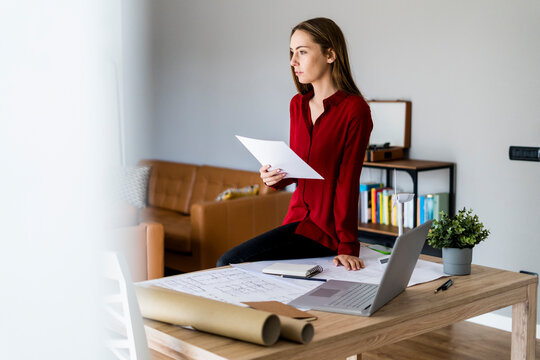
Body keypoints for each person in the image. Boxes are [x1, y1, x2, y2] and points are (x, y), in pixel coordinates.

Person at [217, 17, 372, 271]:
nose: (293, 62)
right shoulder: (297, 105)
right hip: (296, 220)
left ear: (330, 54)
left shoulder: (355, 110)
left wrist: (348, 246)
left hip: (325, 230)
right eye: (292, 53)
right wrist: (276, 177)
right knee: (237, 265)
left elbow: (347, 181)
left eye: (302, 51)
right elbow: (301, 167)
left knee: (227, 262)